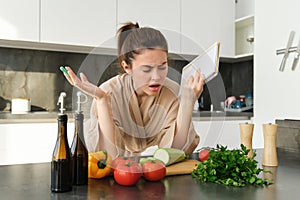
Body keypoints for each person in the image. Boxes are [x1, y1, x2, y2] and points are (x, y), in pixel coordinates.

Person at [62, 22, 205, 159]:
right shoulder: (109, 92)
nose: (156, 77)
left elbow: (175, 152)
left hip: (157, 171)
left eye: (162, 66)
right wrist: (101, 99)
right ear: (127, 67)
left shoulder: (172, 92)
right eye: (146, 69)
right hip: (120, 172)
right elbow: (108, 156)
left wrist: (187, 103)